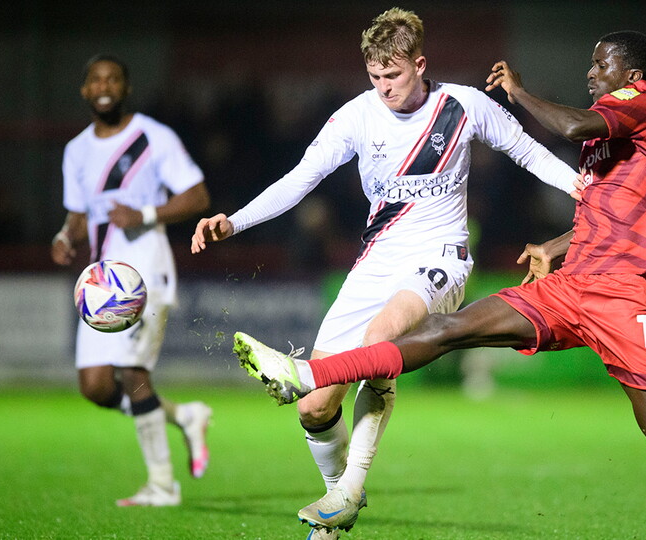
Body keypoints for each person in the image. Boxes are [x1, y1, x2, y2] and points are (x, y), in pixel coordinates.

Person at [232, 32, 646, 540]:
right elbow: (609, 211)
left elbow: (568, 126)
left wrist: (517, 93)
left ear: (633, 72)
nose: (591, 72)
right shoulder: (616, 139)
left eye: (602, 64)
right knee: (443, 330)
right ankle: (310, 376)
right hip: (571, 286)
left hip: (621, 298)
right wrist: (554, 246)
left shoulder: (642, 103)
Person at [191, 8, 577, 538]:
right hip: (376, 261)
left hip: (440, 257)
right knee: (314, 408)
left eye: (392, 75)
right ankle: (337, 503)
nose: (383, 87)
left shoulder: (464, 105)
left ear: (419, 64)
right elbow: (301, 179)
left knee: (380, 343)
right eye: (374, 76)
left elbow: (530, 152)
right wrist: (233, 222)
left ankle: (349, 487)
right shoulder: (357, 115)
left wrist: (586, 190)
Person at [51, 54, 213, 507]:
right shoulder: (76, 150)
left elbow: (197, 195)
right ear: (85, 90)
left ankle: (162, 485)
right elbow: (80, 215)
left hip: (144, 269)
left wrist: (143, 213)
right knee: (97, 387)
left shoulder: (154, 138)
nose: (104, 86)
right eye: (96, 80)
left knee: (133, 371)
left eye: (114, 79)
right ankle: (184, 416)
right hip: (100, 279)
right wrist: (66, 236)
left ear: (126, 88)